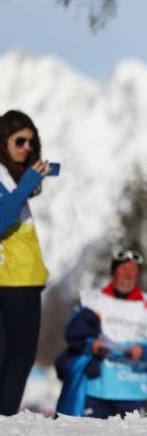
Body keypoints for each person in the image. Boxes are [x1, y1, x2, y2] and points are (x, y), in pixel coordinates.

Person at [57, 250, 147, 418]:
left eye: (133, 270)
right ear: (114, 271)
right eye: (124, 269)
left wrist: (143, 351)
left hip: (134, 391)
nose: (128, 274)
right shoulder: (90, 299)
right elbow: (72, 334)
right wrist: (91, 346)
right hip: (94, 389)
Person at [0, 110, 53, 415]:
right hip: (12, 281)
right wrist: (26, 184)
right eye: (19, 140)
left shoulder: (11, 176)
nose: (27, 148)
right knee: (17, 358)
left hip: (23, 280)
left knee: (15, 358)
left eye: (31, 142)